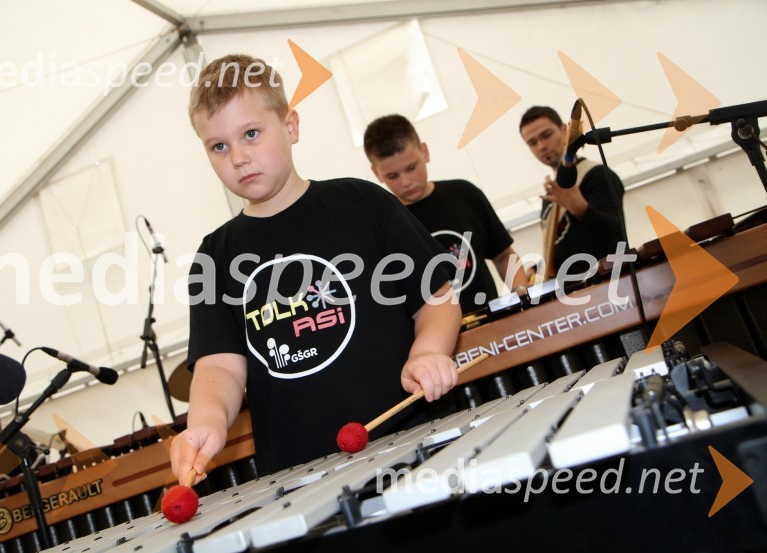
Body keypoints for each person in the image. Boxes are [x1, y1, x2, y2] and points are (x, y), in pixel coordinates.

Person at [170, 54, 463, 480]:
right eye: (218, 146)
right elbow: (219, 367)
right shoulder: (214, 257)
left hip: (415, 443)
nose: (237, 157)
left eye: (251, 134)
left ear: (291, 126)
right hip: (301, 473)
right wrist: (206, 424)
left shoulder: (364, 204)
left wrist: (428, 352)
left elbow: (436, 299)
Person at [364, 114, 530, 314]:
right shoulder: (379, 225)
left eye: (411, 167)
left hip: (493, 324)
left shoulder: (464, 194)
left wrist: (520, 291)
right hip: (434, 343)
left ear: (424, 152)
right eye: (393, 176)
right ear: (376, 174)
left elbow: (503, 255)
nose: (406, 181)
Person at [519, 105, 625, 277]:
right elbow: (564, 245)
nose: (542, 146)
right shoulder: (551, 194)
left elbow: (614, 234)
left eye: (546, 135)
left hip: (609, 282)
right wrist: (535, 270)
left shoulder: (597, 175)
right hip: (571, 291)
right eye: (532, 142)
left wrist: (581, 209)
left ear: (564, 130)